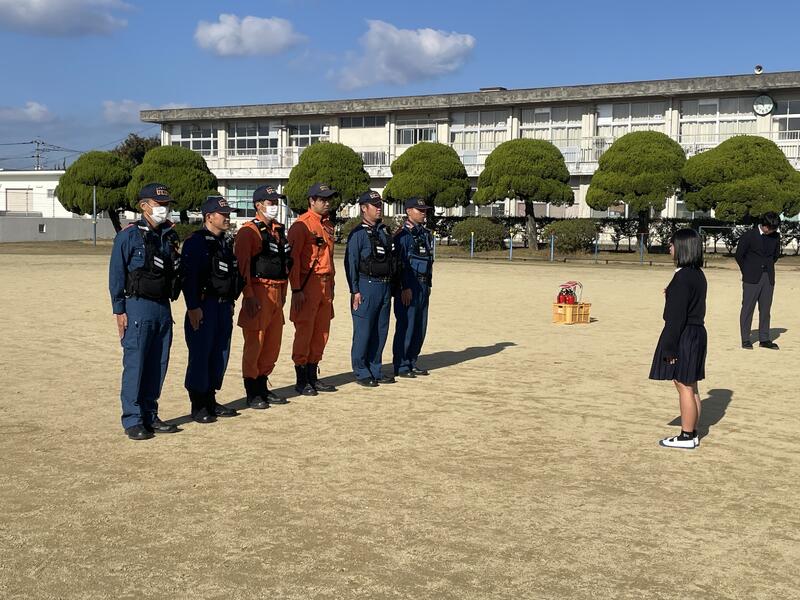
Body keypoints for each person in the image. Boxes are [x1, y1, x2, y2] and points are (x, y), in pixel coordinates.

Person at [109, 183, 181, 440]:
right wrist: (119, 310)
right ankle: (133, 418)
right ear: (144, 206)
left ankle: (150, 413)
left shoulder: (168, 236)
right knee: (136, 364)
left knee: (158, 363)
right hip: (137, 306)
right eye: (159, 205)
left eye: (167, 205)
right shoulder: (128, 236)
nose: (164, 209)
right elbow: (117, 274)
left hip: (162, 307)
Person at [181, 196, 242, 423]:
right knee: (201, 354)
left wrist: (231, 301)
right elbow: (189, 277)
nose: (227, 218)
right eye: (223, 214)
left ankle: (210, 399)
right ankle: (198, 404)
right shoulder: (196, 242)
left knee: (219, 354)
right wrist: (193, 307)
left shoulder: (225, 242)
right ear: (209, 217)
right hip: (204, 306)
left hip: (223, 306)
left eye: (228, 214)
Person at [234, 185, 293, 408]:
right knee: (255, 342)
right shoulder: (248, 231)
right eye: (270, 202)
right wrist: (248, 295)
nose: (275, 206)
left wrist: (284, 293)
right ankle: (252, 391)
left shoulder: (278, 230)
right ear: (258, 205)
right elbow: (243, 267)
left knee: (272, 343)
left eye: (276, 202)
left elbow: (285, 264)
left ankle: (263, 384)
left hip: (277, 290)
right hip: (259, 291)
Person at [649, 228, 707, 450]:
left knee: (683, 385)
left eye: (672, 244)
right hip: (696, 332)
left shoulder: (682, 277)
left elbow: (676, 318)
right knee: (692, 386)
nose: (669, 248)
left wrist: (670, 348)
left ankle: (686, 435)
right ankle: (693, 432)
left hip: (685, 334)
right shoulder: (697, 274)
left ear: (682, 247)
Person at [287, 182, 338, 396]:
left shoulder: (327, 225)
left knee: (321, 332)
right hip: (308, 285)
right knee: (305, 331)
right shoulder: (301, 226)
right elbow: (293, 260)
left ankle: (313, 375)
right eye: (322, 199)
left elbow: (330, 258)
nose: (327, 203)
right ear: (311, 201)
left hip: (325, 284)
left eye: (328, 199)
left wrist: (332, 285)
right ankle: (301, 379)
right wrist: (296, 289)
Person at [345, 190, 398, 387]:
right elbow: (351, 263)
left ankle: (376, 369)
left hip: (384, 286)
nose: (378, 209)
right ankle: (361, 371)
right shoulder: (358, 234)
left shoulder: (384, 231)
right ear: (363, 208)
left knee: (380, 331)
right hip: (366, 286)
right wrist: (354, 290)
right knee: (363, 332)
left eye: (380, 205)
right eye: (374, 206)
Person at [392, 197, 434, 378]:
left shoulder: (425, 234)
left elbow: (429, 260)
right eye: (420, 210)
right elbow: (399, 264)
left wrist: (428, 284)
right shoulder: (402, 235)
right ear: (409, 211)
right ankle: (401, 365)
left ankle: (412, 361)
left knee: (420, 326)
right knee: (406, 326)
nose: (424, 213)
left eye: (425, 210)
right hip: (409, 286)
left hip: (422, 285)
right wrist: (404, 286)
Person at [735, 212, 781, 350]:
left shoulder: (776, 236)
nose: (772, 231)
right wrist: (747, 270)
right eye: (770, 228)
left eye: (774, 229)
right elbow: (739, 255)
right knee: (748, 308)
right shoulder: (749, 235)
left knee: (765, 309)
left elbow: (775, 255)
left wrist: (767, 267)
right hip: (751, 277)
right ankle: (745, 339)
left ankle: (764, 339)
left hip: (768, 277)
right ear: (764, 225)